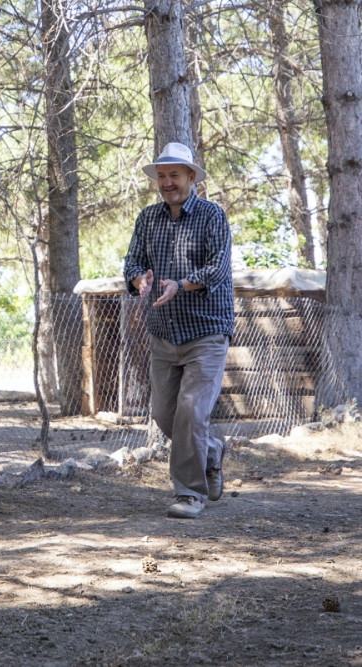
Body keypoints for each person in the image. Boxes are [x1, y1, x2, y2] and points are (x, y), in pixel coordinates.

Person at [123, 142, 234, 519]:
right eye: (162, 176)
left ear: (191, 177)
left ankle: (189, 494)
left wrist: (180, 284)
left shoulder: (213, 216)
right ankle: (212, 451)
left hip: (206, 332)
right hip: (163, 333)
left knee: (191, 410)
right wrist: (140, 279)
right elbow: (133, 262)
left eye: (175, 175)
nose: (167, 182)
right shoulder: (147, 219)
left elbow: (217, 269)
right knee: (164, 414)